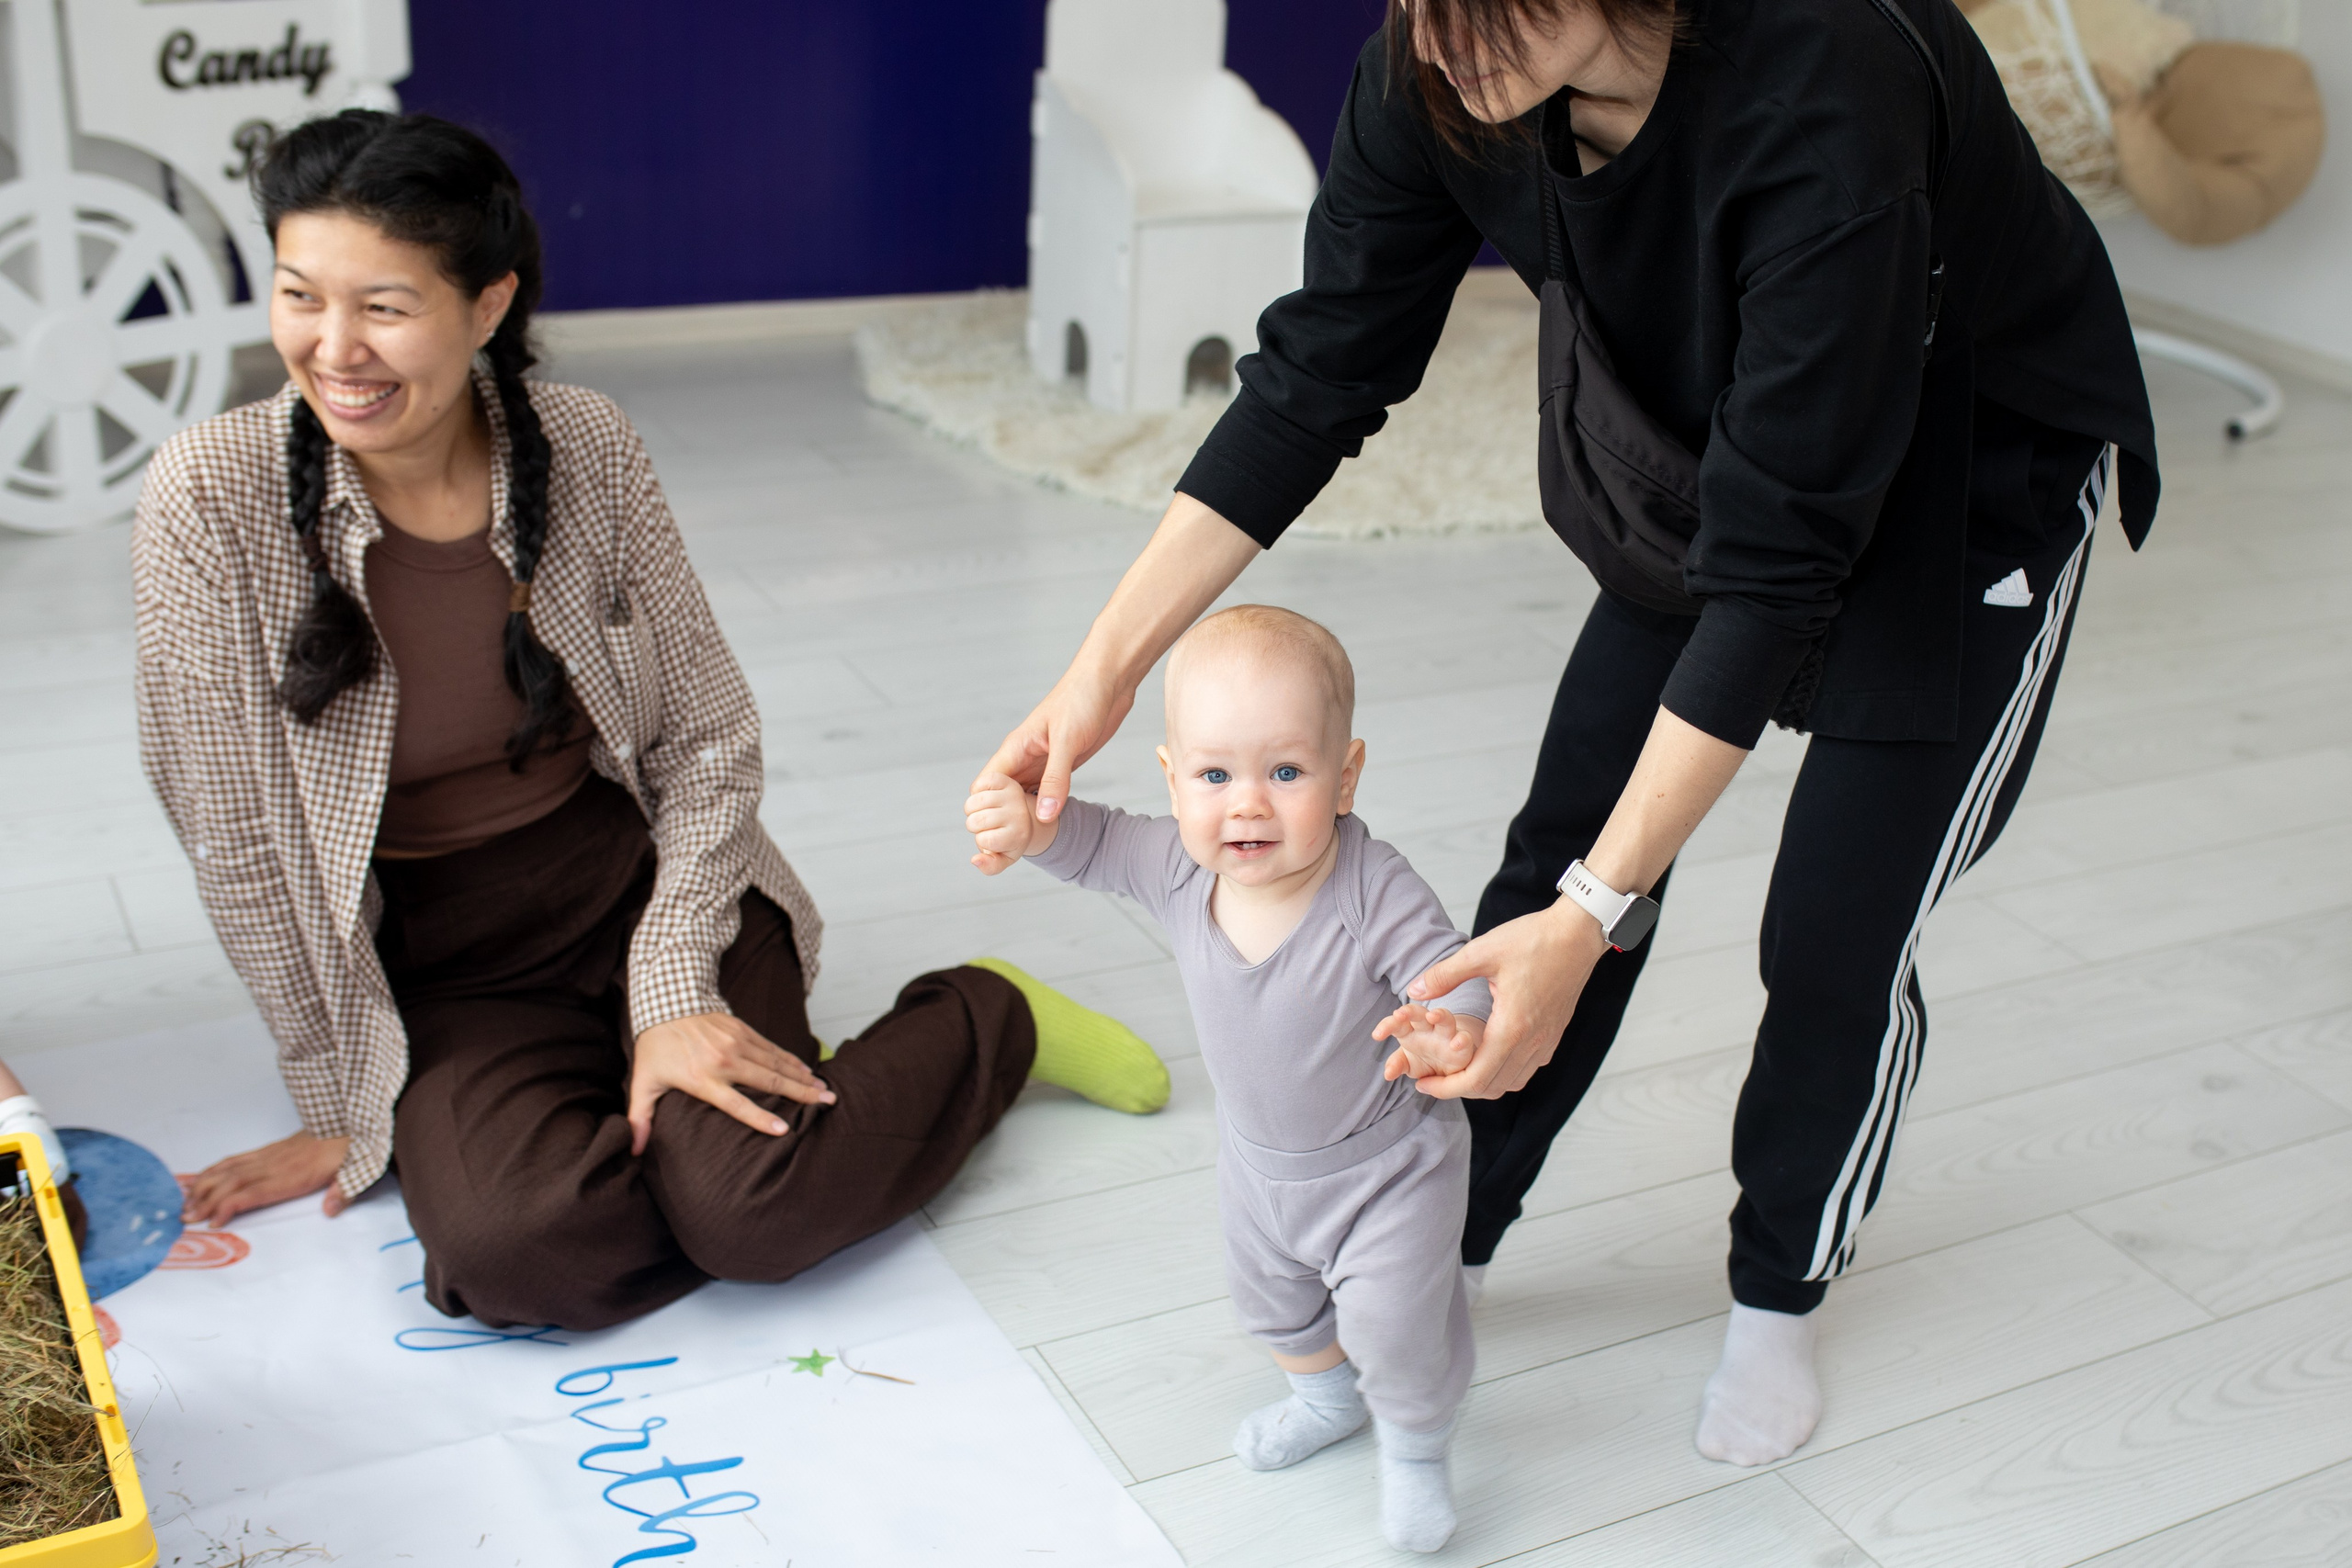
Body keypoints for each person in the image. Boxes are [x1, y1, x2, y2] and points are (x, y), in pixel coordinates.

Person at [978, 0, 2158, 1466]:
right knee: (1548, 880)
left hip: (1970, 478)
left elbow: (1781, 570)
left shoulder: (1825, 86)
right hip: (1718, 448)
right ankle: (1448, 1224)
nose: (1442, 40)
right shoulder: (1440, 62)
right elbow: (1318, 371)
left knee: (1835, 936)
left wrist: (1604, 907)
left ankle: (1780, 1287)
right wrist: (1097, 675)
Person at [133, 111, 1168, 1333]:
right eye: (300, 294)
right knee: (517, 1257)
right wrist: (343, 1098)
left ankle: (990, 1012)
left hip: (643, 881)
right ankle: (716, 1150)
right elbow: (236, 839)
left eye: (386, 306)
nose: (333, 346)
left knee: (755, 1218)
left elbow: (710, 736)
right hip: (440, 964)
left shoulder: (586, 445)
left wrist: (672, 985)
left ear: (487, 305)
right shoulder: (210, 493)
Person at [968, 606, 1488, 1552]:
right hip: (1257, 1171)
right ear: (1173, 780)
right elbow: (1084, 843)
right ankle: (1325, 1400)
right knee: (1269, 1302)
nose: (1246, 804)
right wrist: (1026, 824)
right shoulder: (1174, 866)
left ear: (1346, 776)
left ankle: (1415, 1449)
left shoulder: (1371, 885)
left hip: (1388, 1167)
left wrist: (1456, 1028)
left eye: (1285, 773)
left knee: (1396, 1326)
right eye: (1214, 775)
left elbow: (1454, 970)